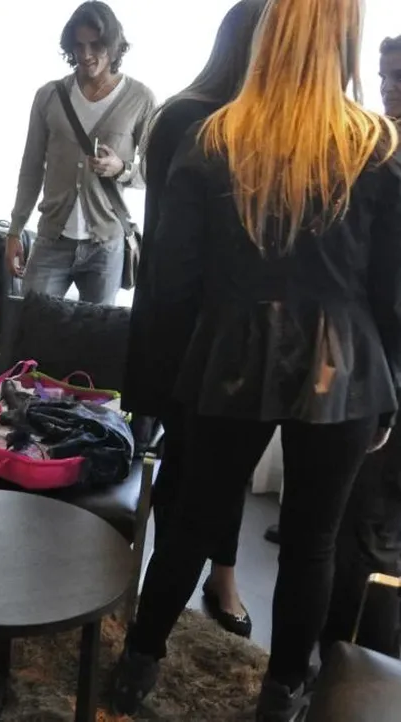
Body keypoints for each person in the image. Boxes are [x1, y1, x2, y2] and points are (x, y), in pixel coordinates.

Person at [109, 0, 401, 719]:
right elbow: (391, 290)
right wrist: (389, 386)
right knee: (313, 541)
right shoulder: (376, 146)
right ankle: (281, 693)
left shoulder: (213, 139)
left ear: (266, 38)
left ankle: (137, 664)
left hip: (229, 353)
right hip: (345, 366)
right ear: (346, 43)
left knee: (195, 519)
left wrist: (168, 379)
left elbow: (172, 281)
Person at [122, 0, 266, 640]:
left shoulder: (260, 122)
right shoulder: (188, 116)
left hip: (238, 327)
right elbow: (175, 247)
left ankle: (218, 576)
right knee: (188, 461)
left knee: (223, 462)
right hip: (184, 321)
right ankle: (170, 588)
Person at [320, 33, 401, 660]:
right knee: (363, 523)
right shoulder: (374, 151)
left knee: (373, 526)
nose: (388, 89)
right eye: (384, 76)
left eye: (399, 77)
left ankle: (358, 664)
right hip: (375, 361)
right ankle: (340, 658)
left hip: (387, 362)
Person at [5, 1, 155, 305]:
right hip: (51, 239)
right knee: (32, 330)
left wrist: (122, 169)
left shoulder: (140, 98)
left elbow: (154, 172)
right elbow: (31, 166)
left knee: (98, 342)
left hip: (106, 244)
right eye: (78, 46)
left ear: (113, 45)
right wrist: (15, 230)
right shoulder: (49, 95)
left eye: (95, 45)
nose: (85, 55)